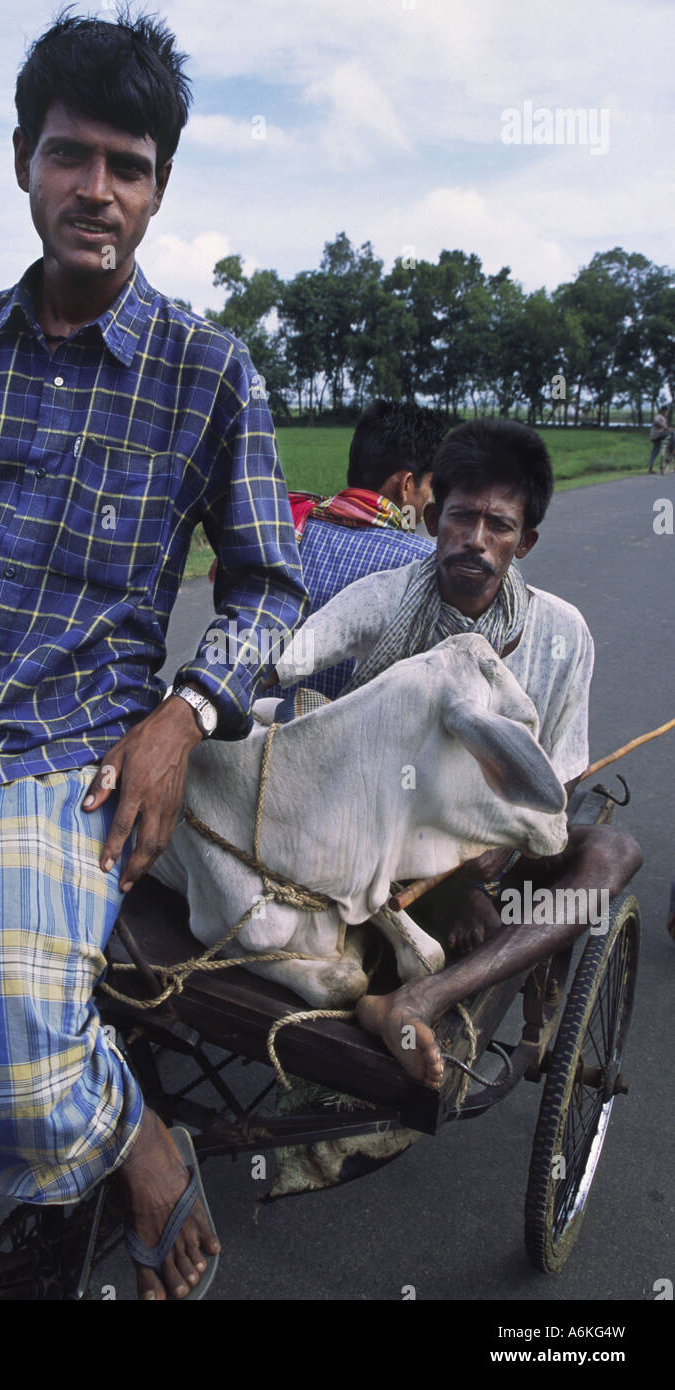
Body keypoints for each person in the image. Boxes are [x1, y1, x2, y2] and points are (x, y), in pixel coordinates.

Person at [0, 11, 308, 1300]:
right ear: (20, 161)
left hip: (85, 757)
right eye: (70, 156)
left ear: (161, 186)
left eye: (129, 163)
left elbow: (268, 582)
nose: (95, 190)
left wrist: (183, 713)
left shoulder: (208, 371)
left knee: (1, 1003)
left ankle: (143, 1149)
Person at [274, 418, 642, 1088]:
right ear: (431, 521)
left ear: (524, 540)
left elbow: (562, 771)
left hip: (508, 838)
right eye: (460, 517)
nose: (476, 539)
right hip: (384, 843)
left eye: (498, 525)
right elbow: (292, 657)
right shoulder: (385, 601)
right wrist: (210, 701)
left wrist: (492, 857)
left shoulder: (562, 635)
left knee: (613, 853)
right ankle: (426, 950)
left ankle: (420, 999)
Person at [263, 400, 446, 699]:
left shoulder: (286, 529)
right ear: (406, 484)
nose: (429, 500)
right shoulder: (422, 564)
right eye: (429, 487)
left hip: (258, 732)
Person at [648, 404, 672, 473]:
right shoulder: (658, 417)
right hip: (657, 435)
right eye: (665, 411)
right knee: (672, 434)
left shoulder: (663, 418)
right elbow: (662, 425)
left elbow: (665, 427)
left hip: (657, 436)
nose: (666, 412)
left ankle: (650, 468)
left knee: (655, 451)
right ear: (663, 410)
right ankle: (672, 448)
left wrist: (668, 428)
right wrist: (668, 428)